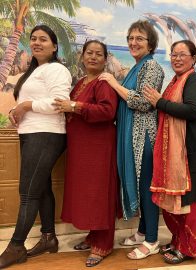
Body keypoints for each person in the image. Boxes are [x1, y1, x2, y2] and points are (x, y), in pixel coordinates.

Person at [0, 25, 72, 269]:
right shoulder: (34, 71)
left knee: (28, 191)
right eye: (33, 39)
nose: (37, 42)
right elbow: (25, 103)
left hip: (47, 134)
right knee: (40, 189)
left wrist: (26, 105)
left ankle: (16, 246)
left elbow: (58, 103)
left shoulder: (57, 69)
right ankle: (49, 238)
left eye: (44, 39)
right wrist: (16, 109)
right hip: (33, 133)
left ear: (54, 46)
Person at [98, 20, 164, 259]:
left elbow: (143, 102)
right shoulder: (137, 67)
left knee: (147, 188)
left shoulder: (153, 67)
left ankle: (152, 240)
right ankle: (142, 230)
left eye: (139, 38)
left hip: (144, 136)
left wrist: (114, 83)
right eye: (131, 38)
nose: (133, 43)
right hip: (129, 134)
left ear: (150, 44)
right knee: (138, 184)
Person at [53, 40, 119, 267]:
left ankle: (104, 243)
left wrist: (75, 107)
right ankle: (93, 236)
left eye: (98, 54)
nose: (92, 57)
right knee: (88, 194)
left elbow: (108, 111)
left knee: (100, 194)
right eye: (89, 53)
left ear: (105, 58)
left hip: (99, 148)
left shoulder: (104, 83)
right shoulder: (81, 82)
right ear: (82, 56)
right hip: (82, 148)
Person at [144, 40, 196, 264]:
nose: (177, 58)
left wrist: (159, 102)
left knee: (190, 202)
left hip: (190, 151)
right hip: (176, 152)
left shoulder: (194, 79)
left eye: (183, 54)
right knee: (176, 202)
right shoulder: (176, 80)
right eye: (174, 54)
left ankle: (188, 248)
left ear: (193, 59)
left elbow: (192, 110)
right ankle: (177, 240)